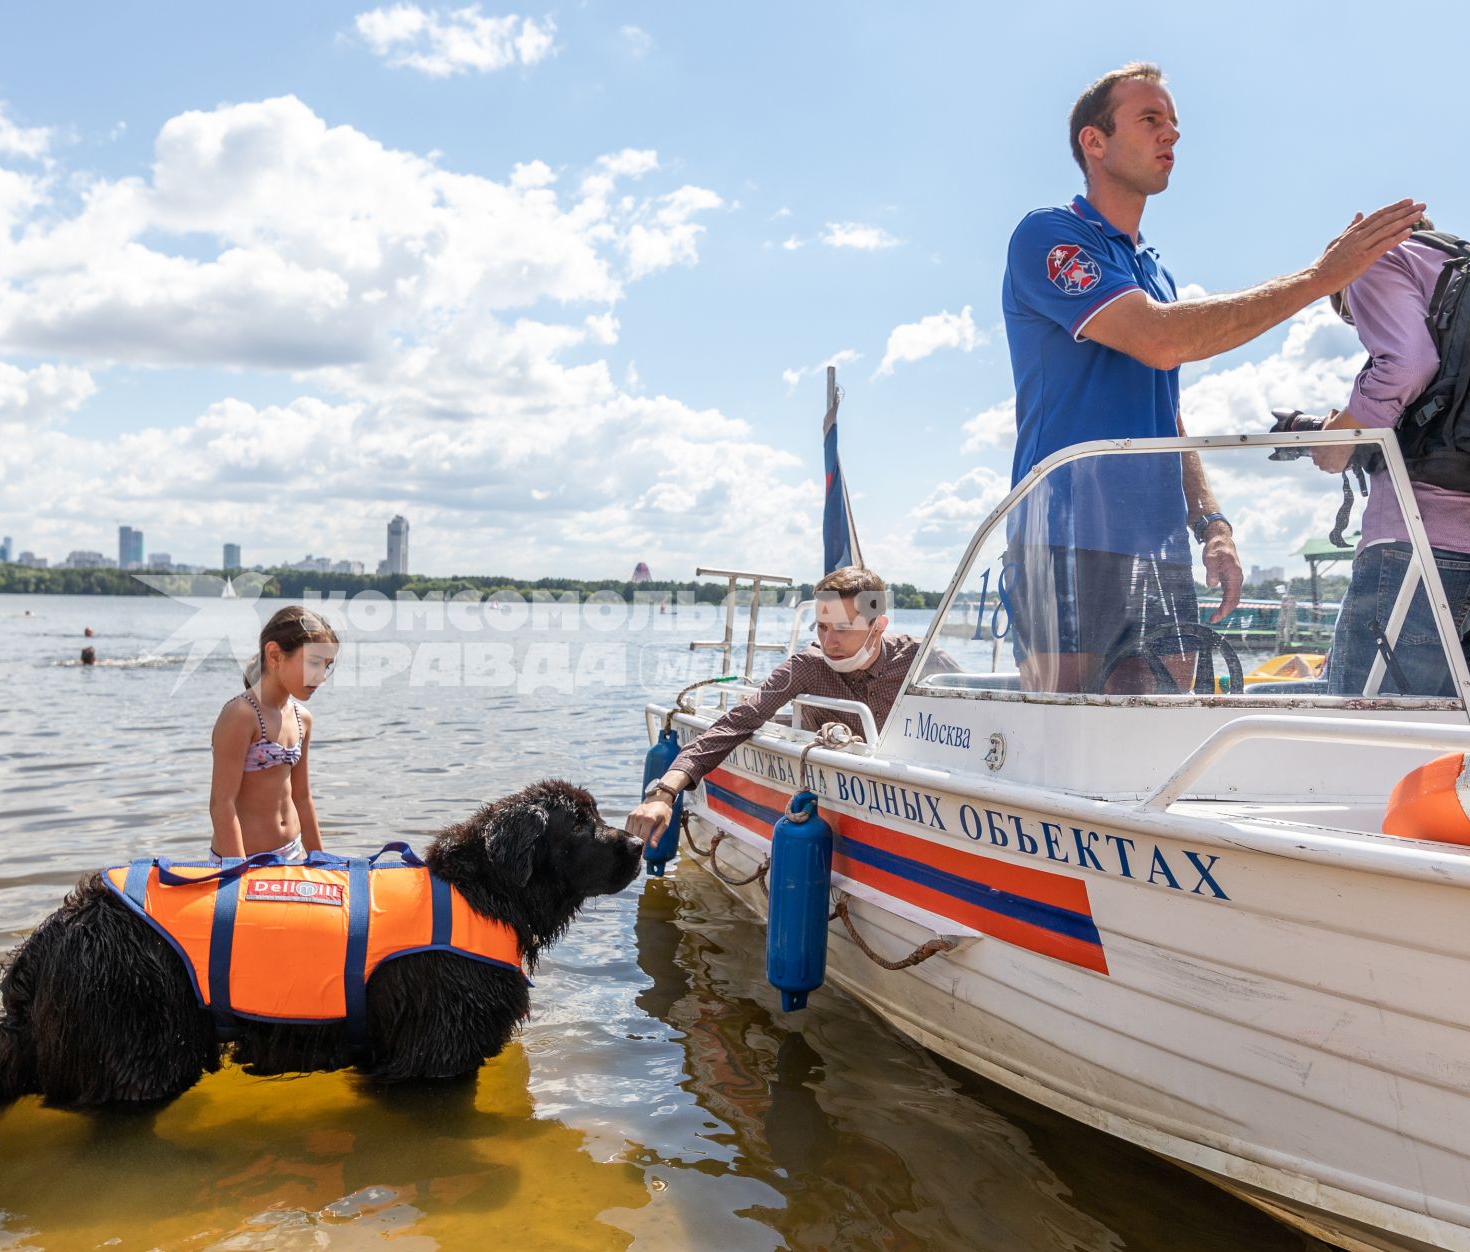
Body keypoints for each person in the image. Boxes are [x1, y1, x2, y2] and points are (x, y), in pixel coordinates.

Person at [1002, 62, 1423, 693]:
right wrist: (1320, 279)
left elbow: (1166, 414)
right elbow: (1162, 339)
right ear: (1094, 141)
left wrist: (1212, 525)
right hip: (1066, 530)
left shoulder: (1152, 268)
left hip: (1159, 539)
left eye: (1173, 122)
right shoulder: (1049, 235)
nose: (1170, 134)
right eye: (1150, 120)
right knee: (1065, 732)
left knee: (1168, 733)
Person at [625, 567, 956, 848]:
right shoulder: (807, 666)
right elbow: (736, 723)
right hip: (833, 799)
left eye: (843, 628)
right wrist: (663, 794)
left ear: (878, 626)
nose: (830, 642)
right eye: (822, 627)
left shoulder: (923, 660)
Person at [1313, 220, 1470, 696]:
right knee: (1448, 748)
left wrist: (1342, 434)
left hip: (1416, 544)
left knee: (1365, 735)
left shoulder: (1373, 258)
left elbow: (1406, 364)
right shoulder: (1450, 267)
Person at [209, 605, 339, 860]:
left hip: (293, 853)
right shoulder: (241, 715)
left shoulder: (303, 720)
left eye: (327, 665)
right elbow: (221, 804)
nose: (321, 676)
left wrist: (323, 863)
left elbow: (302, 797)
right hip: (242, 861)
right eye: (314, 662)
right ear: (275, 655)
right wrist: (238, 873)